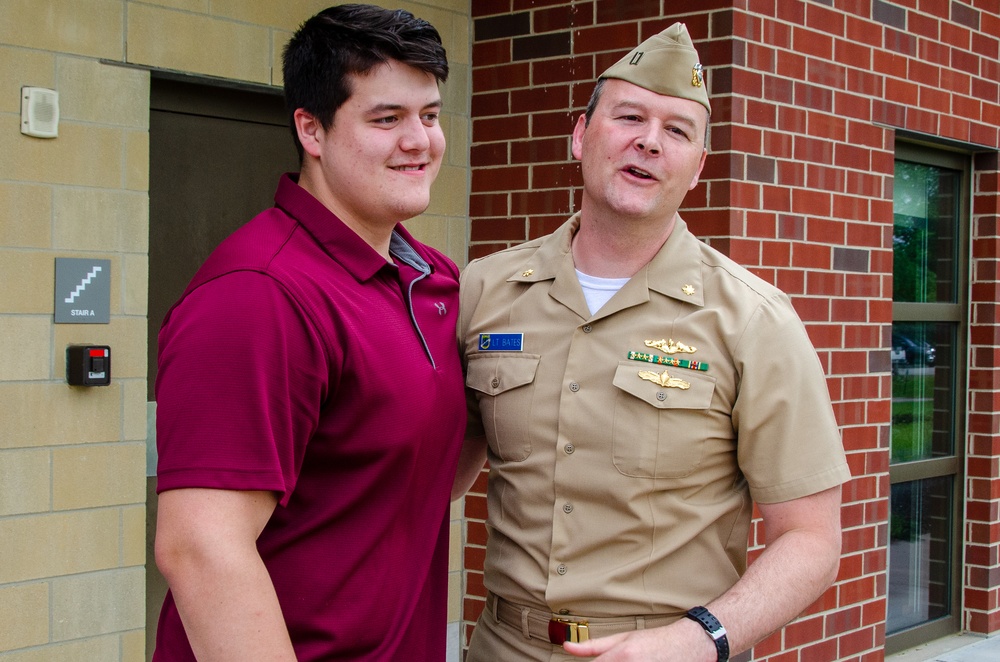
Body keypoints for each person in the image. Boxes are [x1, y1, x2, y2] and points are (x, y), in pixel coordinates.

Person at [454, 22, 851, 662]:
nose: (648, 141)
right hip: (504, 646)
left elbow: (808, 538)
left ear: (698, 167)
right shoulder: (486, 289)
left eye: (677, 131)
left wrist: (699, 640)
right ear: (580, 136)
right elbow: (432, 469)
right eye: (629, 117)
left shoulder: (753, 320)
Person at [152, 5, 465, 661]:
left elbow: (407, 478)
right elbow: (202, 549)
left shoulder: (433, 282)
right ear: (311, 130)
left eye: (429, 116)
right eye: (387, 119)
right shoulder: (259, 293)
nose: (420, 141)